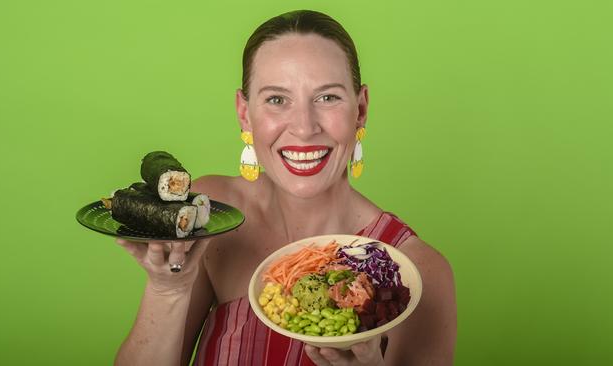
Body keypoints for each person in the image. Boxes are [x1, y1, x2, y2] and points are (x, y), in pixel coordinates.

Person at [114, 10, 456, 366]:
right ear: (245, 114)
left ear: (361, 109)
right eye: (277, 99)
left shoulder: (418, 271)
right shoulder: (212, 215)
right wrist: (167, 291)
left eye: (327, 98)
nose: (304, 128)